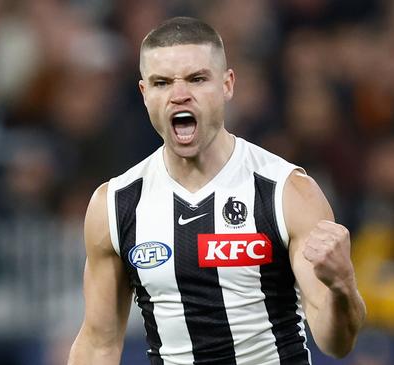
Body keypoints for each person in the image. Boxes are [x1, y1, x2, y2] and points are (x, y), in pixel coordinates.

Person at [67, 17, 365, 365]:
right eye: (162, 83)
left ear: (227, 84)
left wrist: (343, 287)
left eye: (196, 79)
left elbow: (336, 342)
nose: (179, 95)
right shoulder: (116, 204)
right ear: (145, 94)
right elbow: (98, 344)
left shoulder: (286, 191)